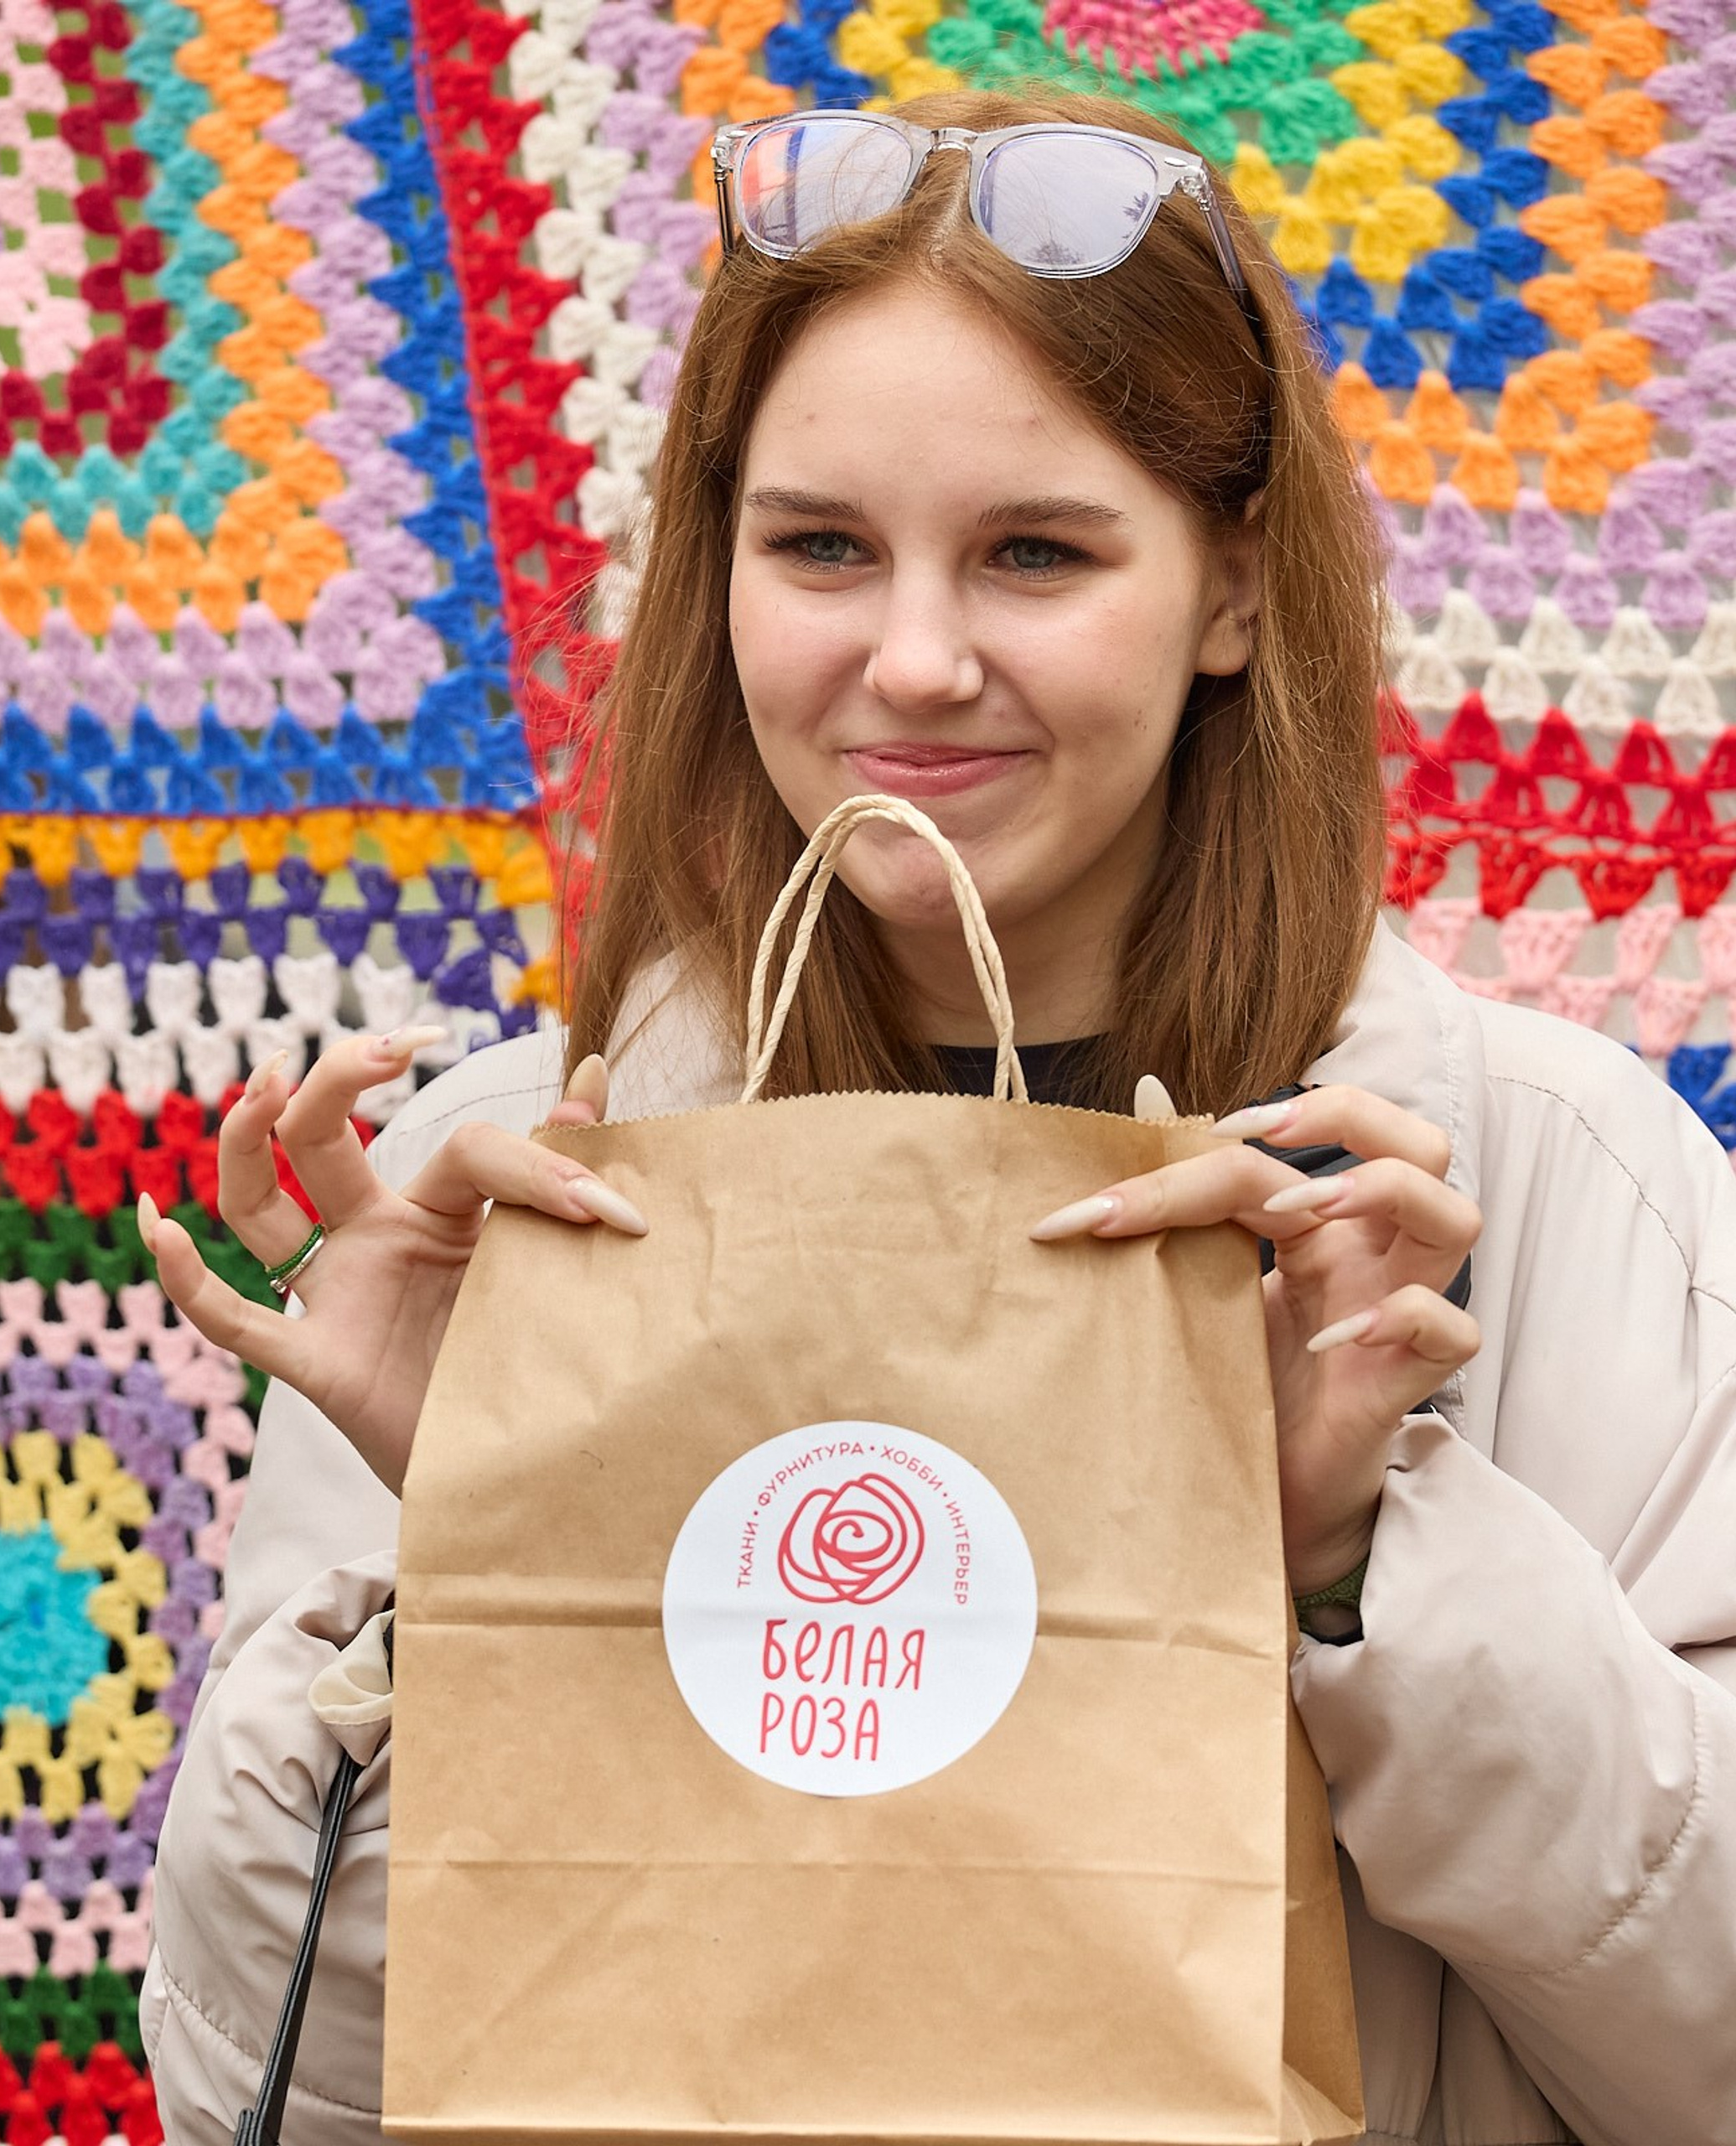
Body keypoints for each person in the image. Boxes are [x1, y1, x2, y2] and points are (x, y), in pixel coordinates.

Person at [134, 85, 1736, 2146]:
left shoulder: (1543, 1181)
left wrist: (1361, 1555)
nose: (909, 659)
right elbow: (259, 2094)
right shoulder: (512, 1190)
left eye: (1033, 554)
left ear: (1232, 590)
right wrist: (487, 1535)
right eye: (817, 545)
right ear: (715, 575)